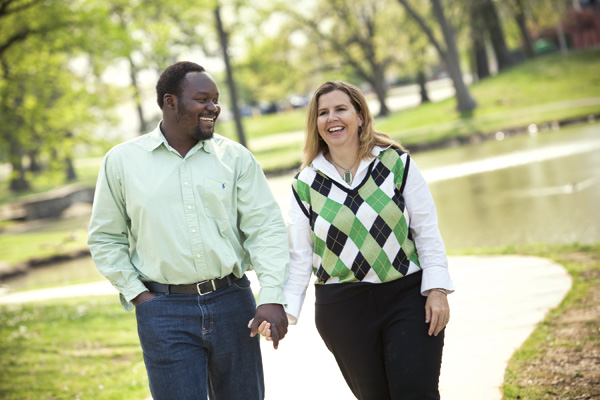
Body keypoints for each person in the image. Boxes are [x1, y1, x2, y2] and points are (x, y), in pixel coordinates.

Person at [87, 61, 289, 400]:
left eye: (216, 100)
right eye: (203, 99)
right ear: (171, 102)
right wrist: (139, 296)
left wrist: (271, 295)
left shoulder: (235, 158)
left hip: (233, 303)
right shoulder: (121, 162)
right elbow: (105, 237)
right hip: (163, 312)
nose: (214, 108)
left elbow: (265, 227)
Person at [259, 81, 454, 400]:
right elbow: (300, 258)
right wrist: (283, 312)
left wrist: (437, 289)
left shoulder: (396, 164)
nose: (332, 118)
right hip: (342, 309)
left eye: (341, 109)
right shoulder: (305, 184)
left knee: (416, 392)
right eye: (323, 112)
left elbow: (427, 232)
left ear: (360, 116)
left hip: (406, 297)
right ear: (315, 123)